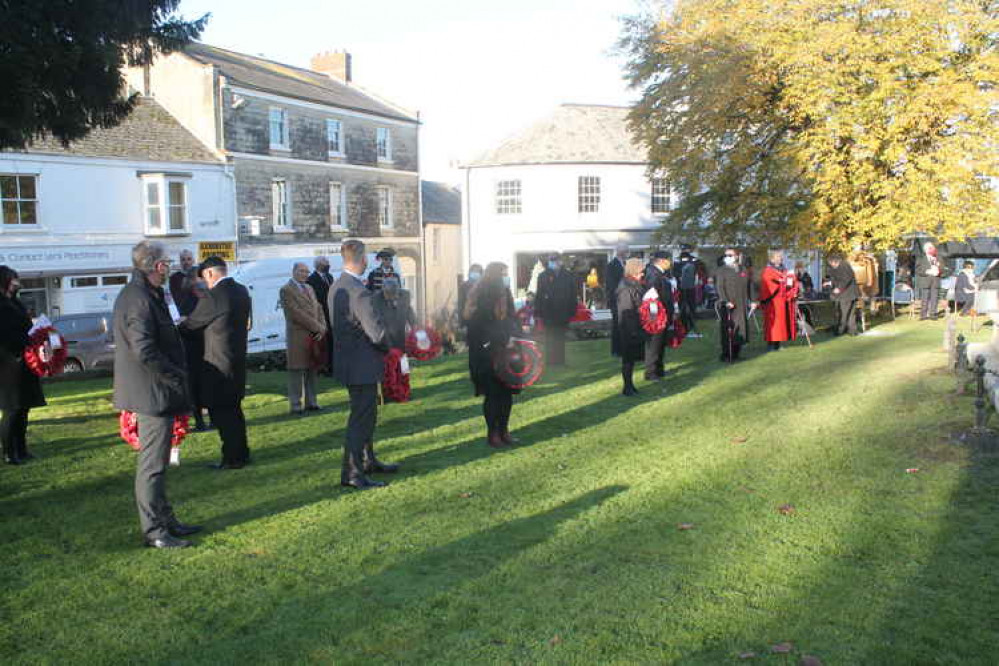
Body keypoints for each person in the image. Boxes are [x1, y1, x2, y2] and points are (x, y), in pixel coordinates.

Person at [112, 241, 200, 549]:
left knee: (160, 461)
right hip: (151, 392)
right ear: (157, 266)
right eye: (167, 262)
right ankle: (154, 531)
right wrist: (174, 373)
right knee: (152, 465)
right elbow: (144, 349)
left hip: (157, 389)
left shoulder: (147, 294)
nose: (171, 266)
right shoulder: (137, 298)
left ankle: (166, 520)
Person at [329, 239, 397, 489]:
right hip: (362, 363)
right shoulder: (358, 291)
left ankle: (368, 460)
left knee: (366, 414)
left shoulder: (337, 286)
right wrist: (390, 347)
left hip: (349, 361)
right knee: (361, 418)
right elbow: (376, 333)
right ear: (363, 260)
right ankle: (353, 472)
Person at [179, 256, 252, 470]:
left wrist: (180, 325)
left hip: (218, 361)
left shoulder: (215, 295)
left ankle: (232, 457)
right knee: (235, 411)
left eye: (205, 278)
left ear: (210, 273)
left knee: (222, 412)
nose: (205, 283)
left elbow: (192, 325)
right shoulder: (241, 290)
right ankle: (241, 452)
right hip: (236, 358)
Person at [464, 262, 521, 447]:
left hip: (506, 350)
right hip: (486, 352)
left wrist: (514, 334)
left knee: (506, 394)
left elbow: (512, 317)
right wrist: (502, 338)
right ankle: (492, 433)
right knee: (493, 394)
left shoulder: (505, 293)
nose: (506, 277)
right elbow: (479, 325)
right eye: (503, 273)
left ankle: (504, 430)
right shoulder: (480, 294)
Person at [0, 266, 45, 465]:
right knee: (12, 409)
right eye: (13, 280)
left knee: (24, 407)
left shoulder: (15, 302)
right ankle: (10, 452)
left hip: (25, 360)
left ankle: (22, 448)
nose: (17, 283)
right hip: (8, 363)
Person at [280, 262, 327, 415]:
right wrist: (318, 327)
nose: (305, 274)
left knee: (311, 370)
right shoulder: (286, 290)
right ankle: (295, 404)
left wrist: (323, 326)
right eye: (301, 271)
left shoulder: (309, 288)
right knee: (297, 371)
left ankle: (311, 402)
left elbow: (319, 308)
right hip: (298, 336)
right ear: (293, 271)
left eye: (307, 272)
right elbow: (296, 314)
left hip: (314, 336)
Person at [535, 253, 577, 366]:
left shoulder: (568, 275)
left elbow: (573, 294)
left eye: (555, 260)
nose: (553, 262)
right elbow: (539, 294)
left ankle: (560, 361)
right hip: (548, 312)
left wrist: (573, 310)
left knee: (560, 337)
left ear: (560, 261)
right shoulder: (543, 276)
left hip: (563, 311)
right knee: (549, 338)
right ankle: (550, 361)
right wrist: (537, 312)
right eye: (551, 260)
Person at [615, 258, 647, 396]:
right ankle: (627, 387)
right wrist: (633, 331)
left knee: (631, 360)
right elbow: (626, 311)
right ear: (634, 271)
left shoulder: (633, 285)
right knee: (628, 359)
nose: (643, 274)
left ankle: (630, 386)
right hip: (628, 329)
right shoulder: (626, 287)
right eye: (640, 271)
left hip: (634, 326)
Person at [715, 249, 753, 362]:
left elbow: (749, 286)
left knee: (741, 327)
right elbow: (720, 288)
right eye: (726, 255)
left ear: (736, 256)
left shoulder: (743, 269)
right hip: (728, 305)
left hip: (741, 303)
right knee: (728, 329)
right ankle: (726, 354)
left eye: (730, 255)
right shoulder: (722, 270)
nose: (727, 257)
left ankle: (737, 352)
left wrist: (753, 300)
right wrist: (726, 301)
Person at [643, 251, 676, 381]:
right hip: (656, 315)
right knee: (654, 344)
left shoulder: (660, 274)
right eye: (669, 260)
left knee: (661, 343)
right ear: (662, 260)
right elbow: (651, 297)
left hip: (663, 314)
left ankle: (659, 369)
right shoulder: (653, 274)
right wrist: (654, 318)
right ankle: (650, 372)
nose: (670, 263)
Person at [758, 251, 799, 351]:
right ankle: (771, 344)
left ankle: (778, 344)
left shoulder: (783, 270)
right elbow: (768, 284)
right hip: (772, 302)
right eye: (778, 256)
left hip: (782, 301)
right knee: (773, 324)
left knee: (781, 324)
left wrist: (791, 282)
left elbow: (788, 281)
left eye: (781, 256)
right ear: (772, 259)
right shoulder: (768, 271)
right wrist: (781, 282)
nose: (781, 258)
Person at [307, 256, 336, 375]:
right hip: (321, 315)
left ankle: (333, 366)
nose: (328, 265)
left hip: (332, 314)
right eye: (326, 263)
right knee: (324, 343)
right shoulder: (311, 280)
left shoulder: (329, 277)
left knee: (333, 341)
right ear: (318, 265)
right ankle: (325, 367)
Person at [825, 255, 859, 336]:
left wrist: (839, 288)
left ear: (834, 262)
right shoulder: (844, 265)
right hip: (852, 294)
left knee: (843, 313)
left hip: (847, 294)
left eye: (831, 264)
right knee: (850, 313)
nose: (831, 266)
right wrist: (830, 283)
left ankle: (840, 330)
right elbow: (838, 279)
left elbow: (846, 279)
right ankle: (852, 331)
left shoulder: (844, 266)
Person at [673, 246, 702, 338]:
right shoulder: (677, 260)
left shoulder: (694, 260)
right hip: (681, 287)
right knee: (682, 306)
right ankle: (682, 325)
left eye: (687, 250)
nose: (685, 251)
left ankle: (691, 324)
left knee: (691, 306)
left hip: (691, 287)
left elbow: (697, 271)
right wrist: (680, 277)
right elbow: (675, 272)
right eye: (684, 250)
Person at [606, 244, 628, 357]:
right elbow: (611, 285)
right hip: (617, 300)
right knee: (616, 325)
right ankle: (616, 350)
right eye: (625, 251)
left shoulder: (625, 264)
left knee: (624, 325)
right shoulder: (611, 266)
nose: (627, 253)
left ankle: (624, 348)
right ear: (619, 252)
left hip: (626, 299)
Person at [915, 242, 945, 320]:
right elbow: (918, 270)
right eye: (930, 248)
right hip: (925, 281)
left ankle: (933, 314)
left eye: (932, 248)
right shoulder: (921, 258)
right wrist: (927, 271)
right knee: (924, 298)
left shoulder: (938, 258)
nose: (932, 250)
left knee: (934, 299)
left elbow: (942, 268)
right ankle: (923, 315)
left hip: (935, 281)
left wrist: (938, 271)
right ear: (926, 250)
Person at [168, 249, 198, 316]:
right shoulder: (174, 278)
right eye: (183, 259)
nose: (186, 262)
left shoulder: (200, 274)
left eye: (189, 259)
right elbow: (176, 298)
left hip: (200, 312)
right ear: (180, 261)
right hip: (183, 313)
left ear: (193, 260)